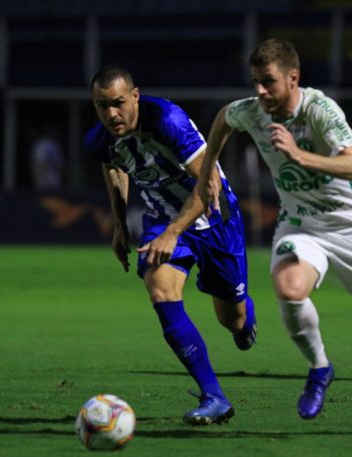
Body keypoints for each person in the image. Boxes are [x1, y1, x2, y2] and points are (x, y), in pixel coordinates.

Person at [197, 38, 352, 437]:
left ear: (293, 78)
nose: (260, 92)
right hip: (301, 223)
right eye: (256, 82)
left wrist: (299, 155)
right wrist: (208, 168)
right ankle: (319, 368)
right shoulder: (253, 111)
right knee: (288, 287)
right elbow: (225, 118)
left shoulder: (319, 109)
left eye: (268, 83)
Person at [84, 66, 257, 426]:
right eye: (102, 106)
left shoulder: (168, 120)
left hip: (215, 220)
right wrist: (119, 224)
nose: (111, 114)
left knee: (233, 319)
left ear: (135, 96)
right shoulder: (99, 139)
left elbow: (208, 185)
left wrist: (175, 231)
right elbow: (113, 167)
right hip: (162, 219)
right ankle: (214, 397)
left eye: (118, 103)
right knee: (160, 290)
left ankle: (244, 320)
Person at [30, 126, 65, 191]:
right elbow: (39, 164)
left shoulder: (54, 144)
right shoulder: (42, 144)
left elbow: (60, 164)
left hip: (55, 181)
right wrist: (41, 181)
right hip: (46, 182)